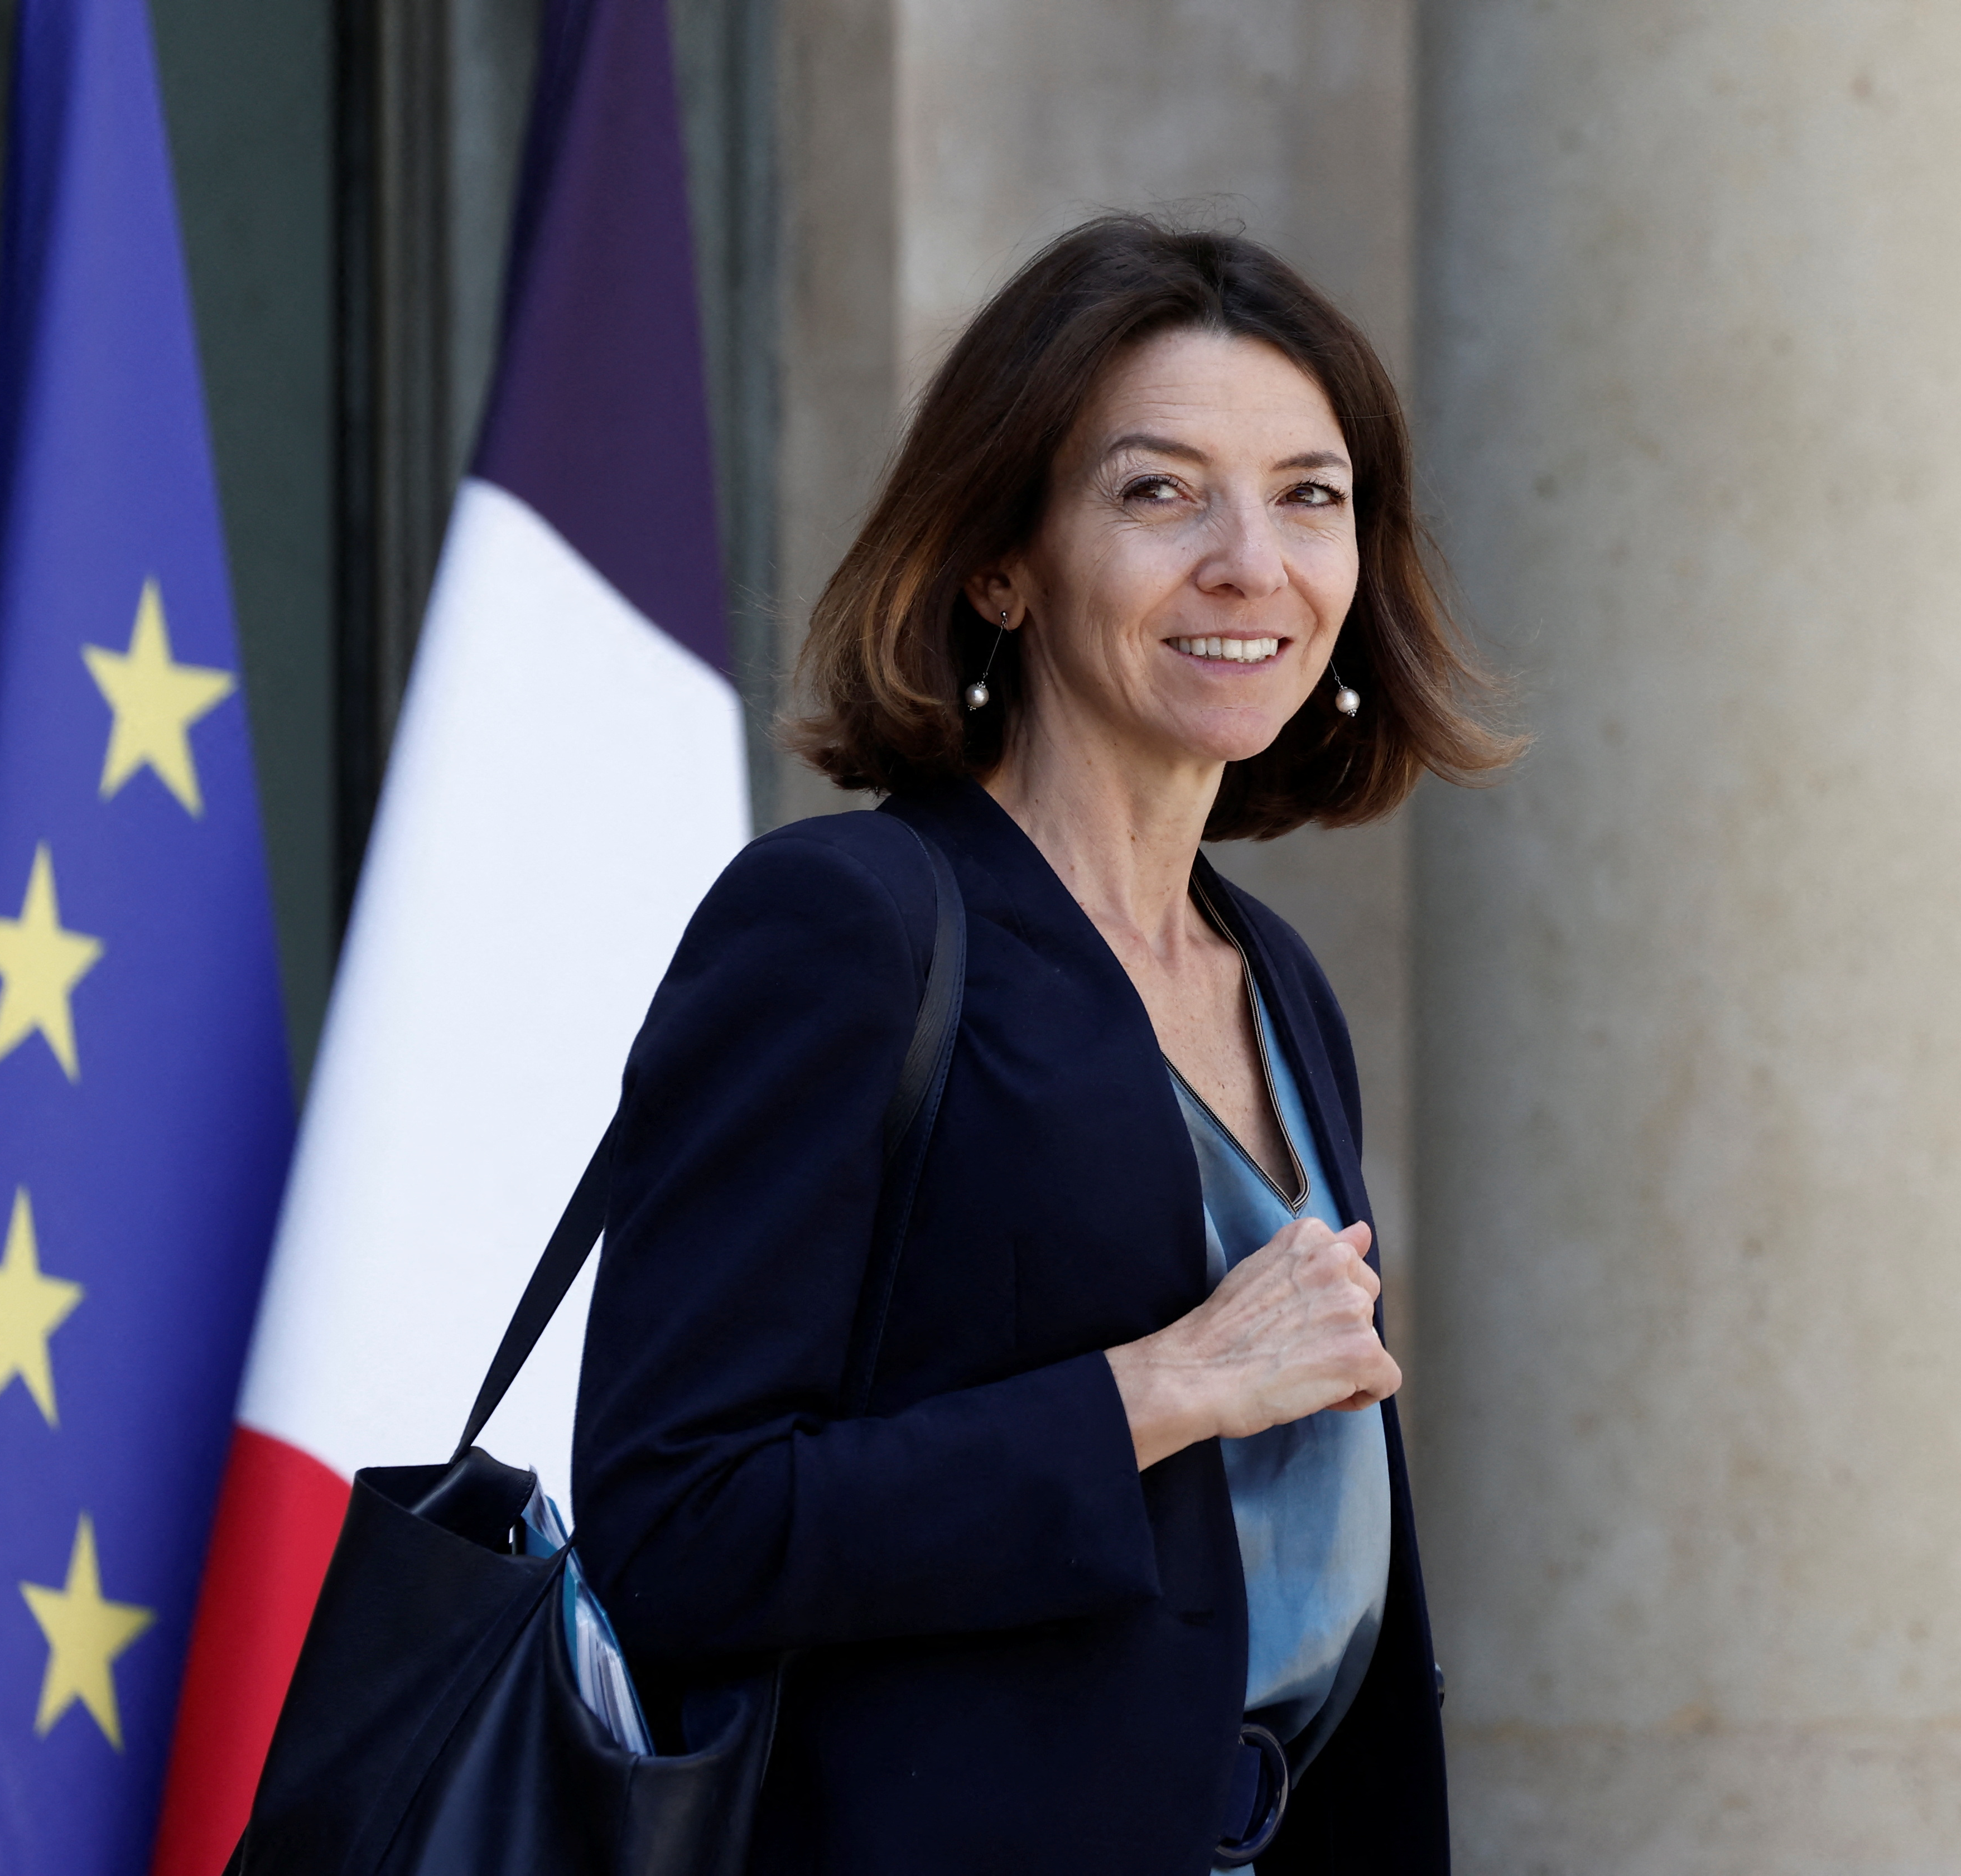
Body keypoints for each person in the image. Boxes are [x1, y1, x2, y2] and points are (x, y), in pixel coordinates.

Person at [572, 214, 1520, 1875]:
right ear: (1001, 560)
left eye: (1312, 495)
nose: (1252, 561)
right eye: (1161, 491)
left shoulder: (1275, 979)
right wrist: (1160, 1388)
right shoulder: (846, 926)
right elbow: (680, 1527)